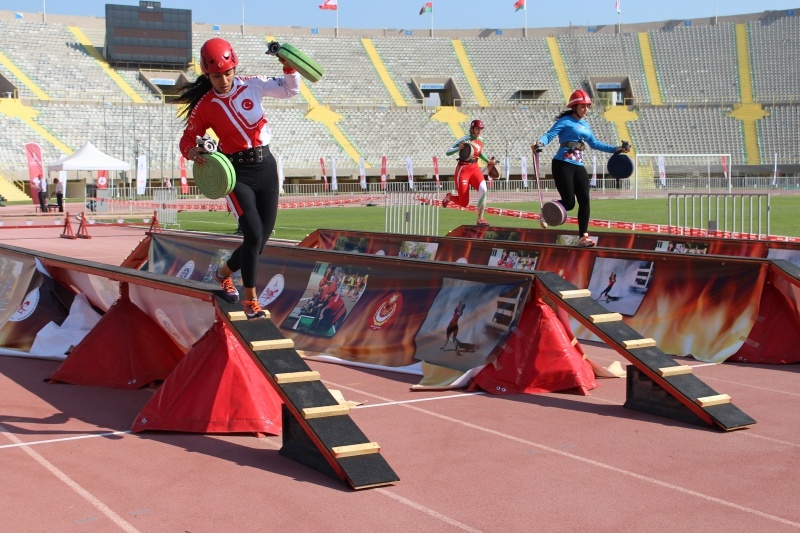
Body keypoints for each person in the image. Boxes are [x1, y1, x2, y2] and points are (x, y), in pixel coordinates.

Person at [176, 37, 300, 319]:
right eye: (216, 75)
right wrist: (193, 151)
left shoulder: (252, 84)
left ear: (235, 67)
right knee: (253, 233)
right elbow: (185, 139)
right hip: (236, 174)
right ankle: (251, 301)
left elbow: (290, 91)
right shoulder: (205, 105)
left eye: (228, 73)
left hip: (266, 167)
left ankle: (222, 273)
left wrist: (289, 68)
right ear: (207, 73)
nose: (223, 80)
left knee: (261, 240)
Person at [533, 89, 629, 247]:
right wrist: (539, 143)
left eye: (588, 106)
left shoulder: (585, 125)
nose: (586, 109)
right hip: (562, 164)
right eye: (583, 106)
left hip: (578, 166)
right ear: (575, 106)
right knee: (569, 203)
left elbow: (595, 144)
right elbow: (549, 135)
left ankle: (583, 237)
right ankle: (546, 212)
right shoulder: (565, 121)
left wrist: (616, 149)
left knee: (585, 200)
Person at [442, 119, 497, 226]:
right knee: (464, 203)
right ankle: (449, 197)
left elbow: (479, 153)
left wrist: (488, 161)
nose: (480, 130)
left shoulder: (482, 140)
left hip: (475, 168)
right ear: (472, 129)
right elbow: (448, 152)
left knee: (483, 189)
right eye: (477, 128)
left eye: (481, 129)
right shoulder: (465, 139)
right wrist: (458, 148)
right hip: (463, 169)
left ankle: (480, 218)